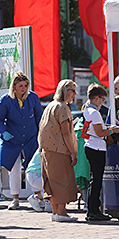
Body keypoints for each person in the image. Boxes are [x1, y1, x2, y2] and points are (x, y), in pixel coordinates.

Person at [0, 73, 43, 209]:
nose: (24, 88)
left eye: (26, 85)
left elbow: (39, 116)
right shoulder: (6, 100)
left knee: (33, 167)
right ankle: (15, 198)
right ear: (14, 86)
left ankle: (37, 195)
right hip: (13, 138)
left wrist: (41, 133)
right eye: (20, 86)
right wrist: (4, 132)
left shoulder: (33, 97)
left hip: (30, 138)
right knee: (14, 168)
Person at [38, 79, 78, 222]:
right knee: (63, 181)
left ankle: (56, 212)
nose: (75, 94)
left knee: (52, 182)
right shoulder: (62, 107)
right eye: (73, 90)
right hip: (59, 150)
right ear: (66, 90)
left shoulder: (50, 106)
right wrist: (73, 152)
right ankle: (61, 212)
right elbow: (66, 133)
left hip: (47, 150)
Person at [82, 83, 110, 222]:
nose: (103, 102)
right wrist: (113, 130)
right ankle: (93, 210)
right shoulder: (95, 112)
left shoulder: (87, 110)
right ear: (96, 98)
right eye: (102, 99)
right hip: (97, 147)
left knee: (94, 180)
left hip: (91, 146)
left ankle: (92, 209)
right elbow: (100, 133)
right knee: (96, 180)